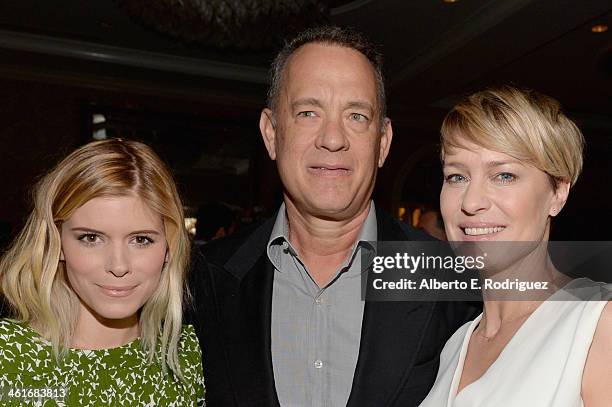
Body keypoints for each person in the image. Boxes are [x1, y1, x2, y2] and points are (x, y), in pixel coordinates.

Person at [188, 26, 478, 407]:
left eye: (356, 116)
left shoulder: (456, 283)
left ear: (383, 143)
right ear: (271, 133)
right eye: (308, 112)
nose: (332, 138)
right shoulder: (201, 281)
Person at [420, 86, 611, 406]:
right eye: (457, 177)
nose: (471, 201)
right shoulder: (455, 345)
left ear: (558, 193)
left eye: (504, 175)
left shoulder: (597, 325)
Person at [0, 139, 205, 405]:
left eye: (141, 239)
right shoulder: (7, 355)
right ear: (56, 242)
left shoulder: (185, 357)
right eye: (91, 238)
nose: (118, 266)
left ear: (169, 248)